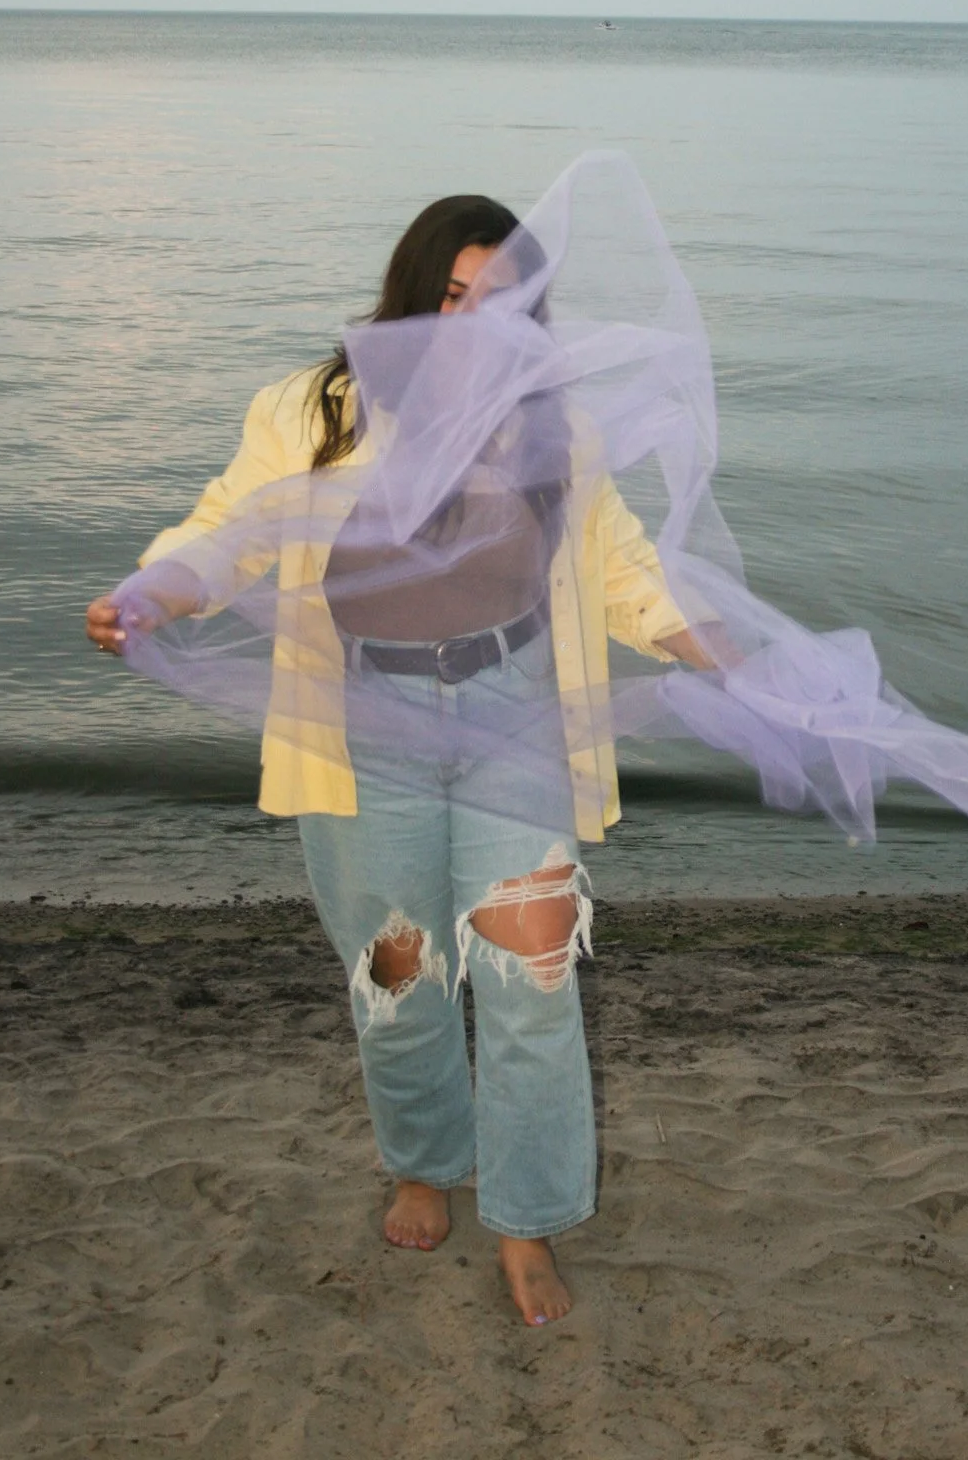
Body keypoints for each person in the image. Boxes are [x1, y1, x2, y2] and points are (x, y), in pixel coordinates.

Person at [86, 193, 720, 1328]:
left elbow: (620, 562)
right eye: (450, 292)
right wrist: (149, 592)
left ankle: (525, 1223)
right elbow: (233, 527)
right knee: (397, 964)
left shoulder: (549, 422)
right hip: (363, 718)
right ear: (410, 288)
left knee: (532, 977)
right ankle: (425, 1159)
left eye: (499, 298)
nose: (471, 318)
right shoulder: (313, 408)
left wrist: (697, 641)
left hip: (513, 706)